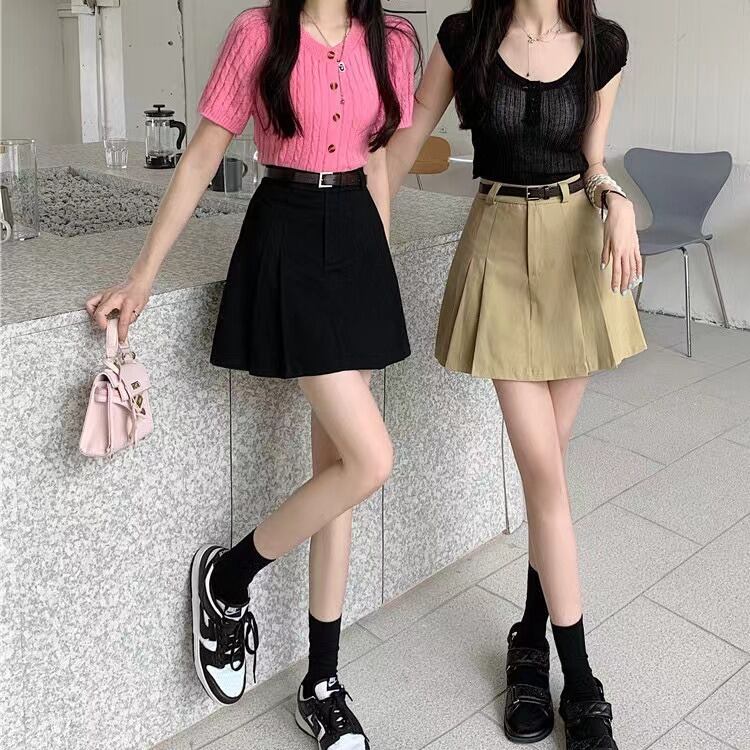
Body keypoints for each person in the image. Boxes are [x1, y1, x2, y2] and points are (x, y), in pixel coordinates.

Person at [86, 2, 417, 747]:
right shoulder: (259, 33)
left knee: (339, 472)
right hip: (288, 238)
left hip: (359, 243)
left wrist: (377, 270)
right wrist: (142, 278)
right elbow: (204, 154)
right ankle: (229, 578)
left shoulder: (392, 39)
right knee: (371, 460)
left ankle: (321, 683)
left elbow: (376, 161)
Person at [386, 1, 645, 747]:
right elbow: (409, 135)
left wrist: (618, 200)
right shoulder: (465, 36)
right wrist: (357, 216)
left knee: (545, 475)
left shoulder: (603, 43)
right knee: (546, 477)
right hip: (498, 244)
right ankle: (582, 684)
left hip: (575, 253)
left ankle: (530, 643)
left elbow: (594, 160)